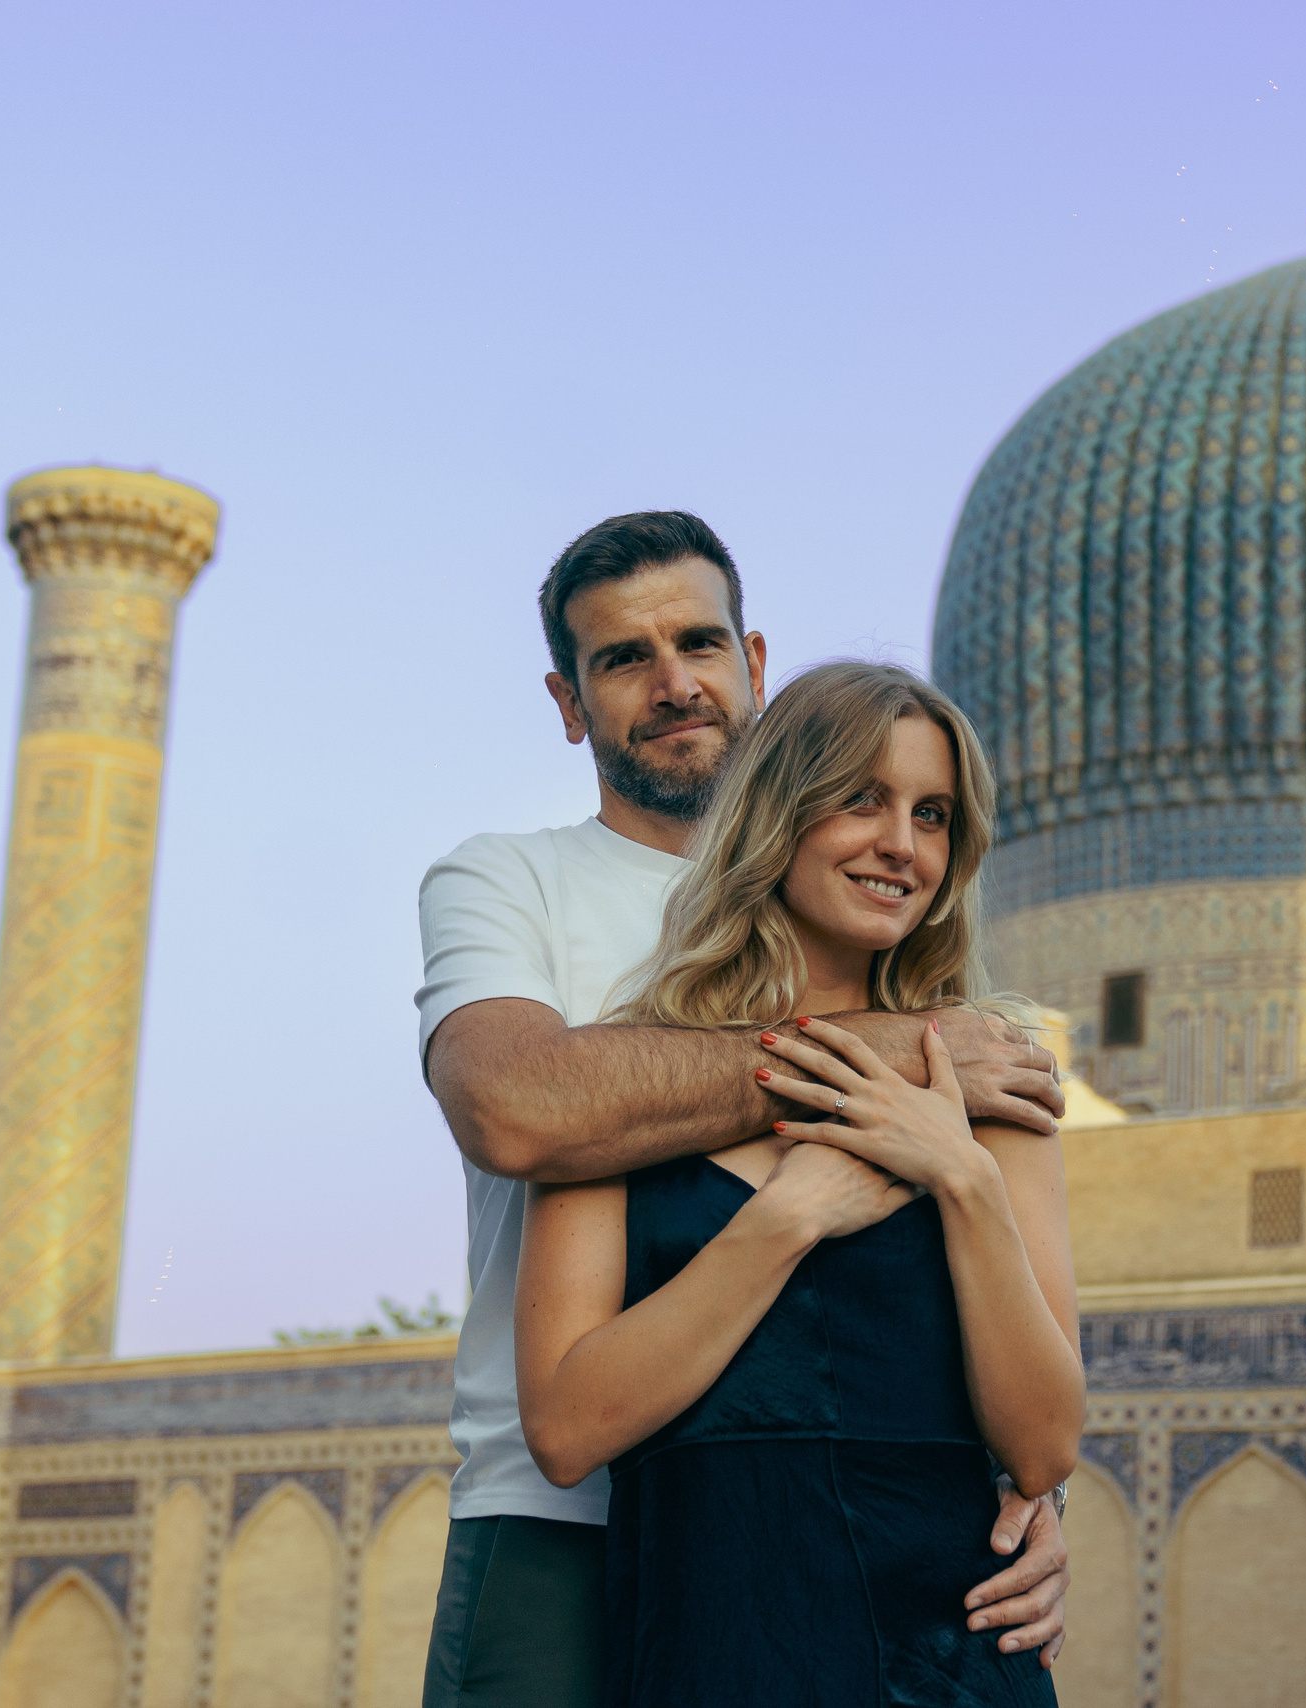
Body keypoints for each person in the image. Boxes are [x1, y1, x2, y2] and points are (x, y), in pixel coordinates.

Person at [415, 513, 1071, 1708]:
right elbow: (523, 1109)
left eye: (699, 643)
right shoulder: (512, 883)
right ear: (569, 701)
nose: (674, 684)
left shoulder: (951, 1023)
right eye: (624, 659)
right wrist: (901, 1059)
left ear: (754, 663)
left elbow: (1025, 1380)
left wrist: (1031, 1495)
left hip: (899, 1570)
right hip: (561, 1510)